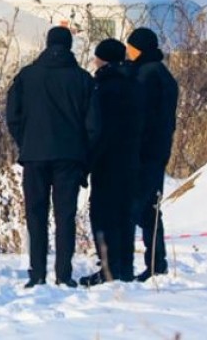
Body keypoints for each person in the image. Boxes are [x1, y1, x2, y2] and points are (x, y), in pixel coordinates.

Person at [6, 26, 93, 288]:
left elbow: (13, 116)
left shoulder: (26, 76)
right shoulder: (83, 79)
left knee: (36, 215)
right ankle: (64, 274)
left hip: (34, 155)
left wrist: (26, 142)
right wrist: (84, 155)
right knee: (65, 216)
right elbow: (93, 124)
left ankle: (37, 274)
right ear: (70, 46)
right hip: (69, 156)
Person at [80, 38, 145, 286]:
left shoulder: (102, 87)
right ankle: (125, 268)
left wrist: (88, 162)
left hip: (107, 160)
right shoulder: (137, 84)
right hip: (132, 158)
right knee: (125, 214)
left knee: (102, 214)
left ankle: (108, 267)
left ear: (102, 59)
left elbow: (99, 129)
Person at [125, 26, 179, 281]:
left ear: (139, 48)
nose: (127, 51)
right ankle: (157, 262)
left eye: (130, 47)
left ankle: (123, 262)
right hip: (159, 151)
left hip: (143, 152)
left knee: (133, 207)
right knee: (150, 209)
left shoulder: (145, 76)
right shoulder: (164, 75)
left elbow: (140, 117)